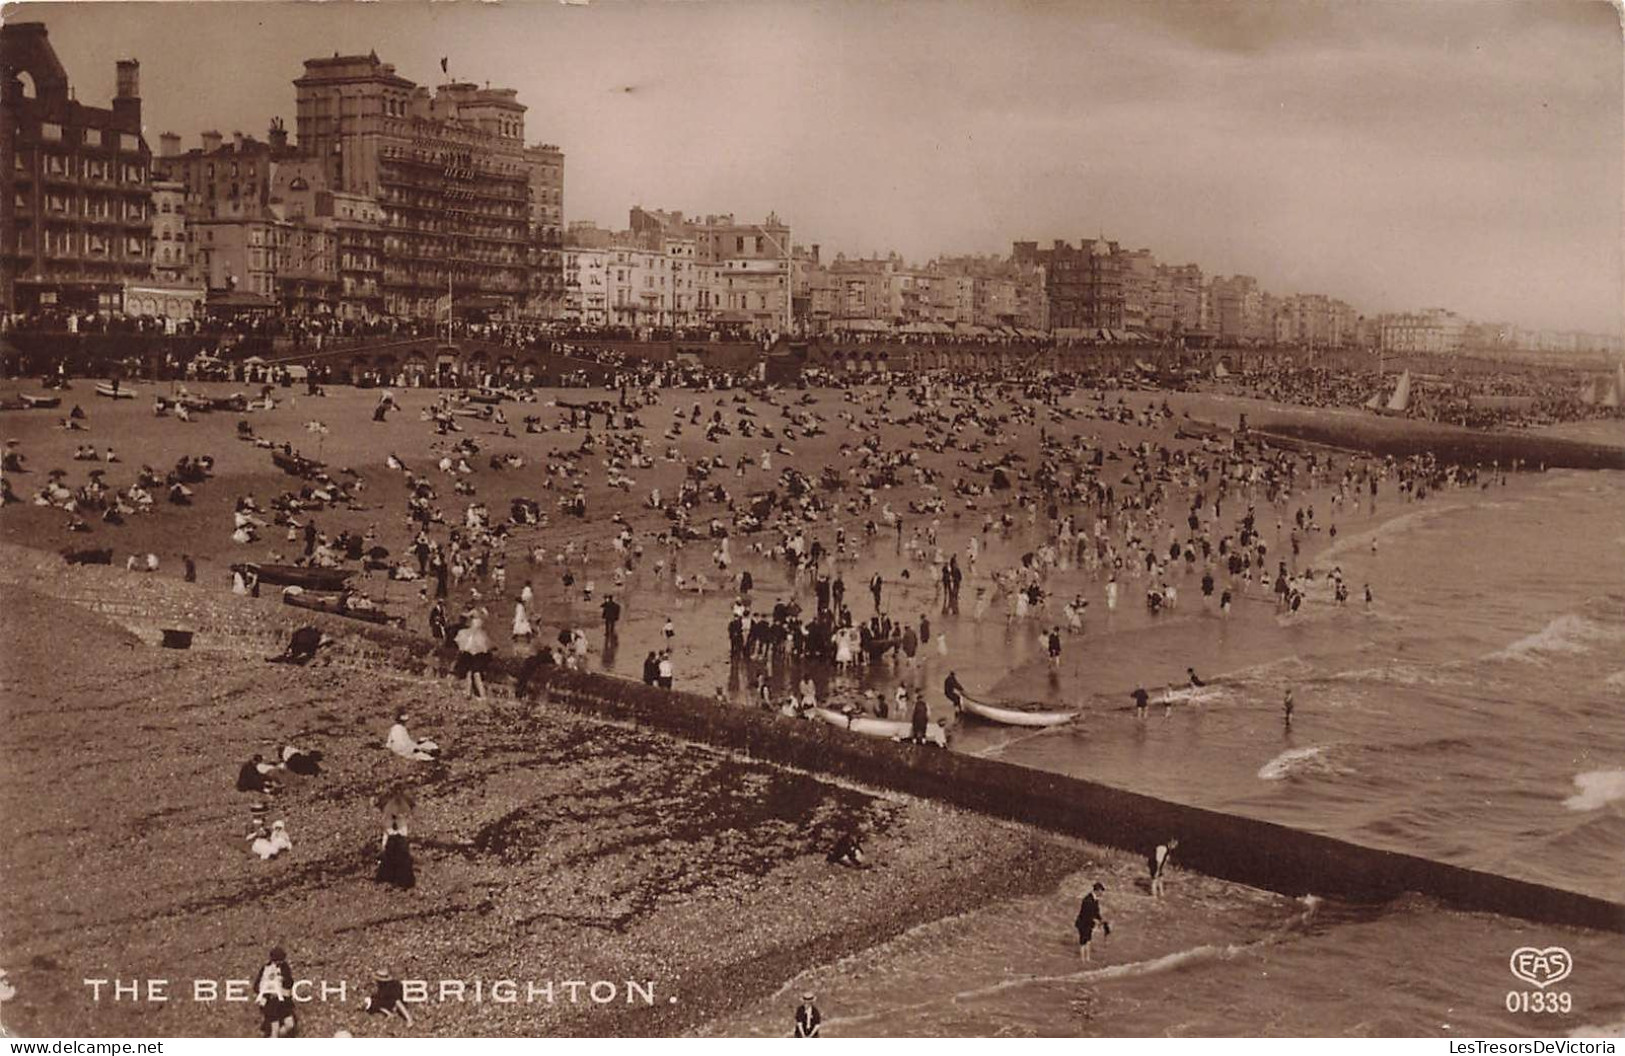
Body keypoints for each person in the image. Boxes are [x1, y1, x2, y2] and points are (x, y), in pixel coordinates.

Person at [254, 946, 297, 1037]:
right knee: (275, 1029)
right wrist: (267, 991)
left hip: (283, 1002)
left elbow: (290, 983)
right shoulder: (266, 969)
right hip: (271, 1002)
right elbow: (257, 986)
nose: (279, 963)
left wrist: (283, 980)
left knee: (290, 1025)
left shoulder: (284, 968)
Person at [376, 816, 415, 890]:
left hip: (397, 844)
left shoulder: (400, 820)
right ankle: (394, 879)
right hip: (394, 844)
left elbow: (403, 832)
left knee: (398, 863)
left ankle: (398, 881)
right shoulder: (392, 819)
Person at [1075, 881, 1111, 963]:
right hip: (1082, 923)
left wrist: (1101, 920)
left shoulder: (1094, 899)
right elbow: (1086, 914)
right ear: (1097, 890)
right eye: (1101, 891)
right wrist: (1095, 920)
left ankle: (1087, 959)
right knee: (1083, 941)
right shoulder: (1087, 900)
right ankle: (1082, 960)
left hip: (1088, 923)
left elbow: (1096, 912)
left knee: (1088, 940)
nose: (1102, 893)